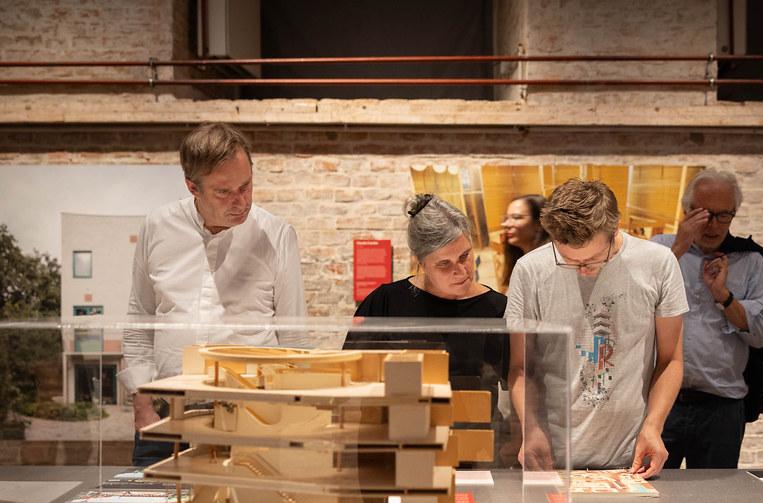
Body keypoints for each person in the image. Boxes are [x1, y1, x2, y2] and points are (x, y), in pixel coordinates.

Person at [120, 122, 307, 466]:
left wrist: (290, 420)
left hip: (252, 417)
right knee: (155, 502)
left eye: (246, 186)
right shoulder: (157, 227)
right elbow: (139, 320)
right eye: (224, 192)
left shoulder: (276, 234)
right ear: (193, 187)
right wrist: (141, 402)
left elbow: (294, 336)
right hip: (167, 414)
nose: (241, 201)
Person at [505, 178, 687, 478]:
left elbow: (670, 360)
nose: (583, 270)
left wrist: (653, 426)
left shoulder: (657, 264)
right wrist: (531, 428)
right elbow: (522, 367)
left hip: (630, 456)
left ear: (616, 229)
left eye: (593, 259)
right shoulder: (531, 270)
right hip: (552, 455)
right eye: (568, 261)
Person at [652, 169, 763, 468]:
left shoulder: (750, 259)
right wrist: (679, 247)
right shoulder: (660, 249)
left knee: (716, 495)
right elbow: (635, 307)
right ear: (686, 211)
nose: (713, 225)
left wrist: (723, 296)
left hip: (721, 405)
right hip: (662, 401)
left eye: (724, 216)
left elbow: (761, 334)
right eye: (705, 214)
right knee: (651, 487)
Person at [352, 194, 507, 406]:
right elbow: (356, 376)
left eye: (465, 256)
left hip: (474, 424)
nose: (461, 271)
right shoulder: (386, 301)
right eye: (444, 264)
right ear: (421, 263)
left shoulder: (496, 308)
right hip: (402, 421)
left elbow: (518, 381)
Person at [499, 194, 548, 292]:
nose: (506, 224)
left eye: (516, 217)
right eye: (506, 218)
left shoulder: (548, 266)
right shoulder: (520, 259)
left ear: (539, 223)